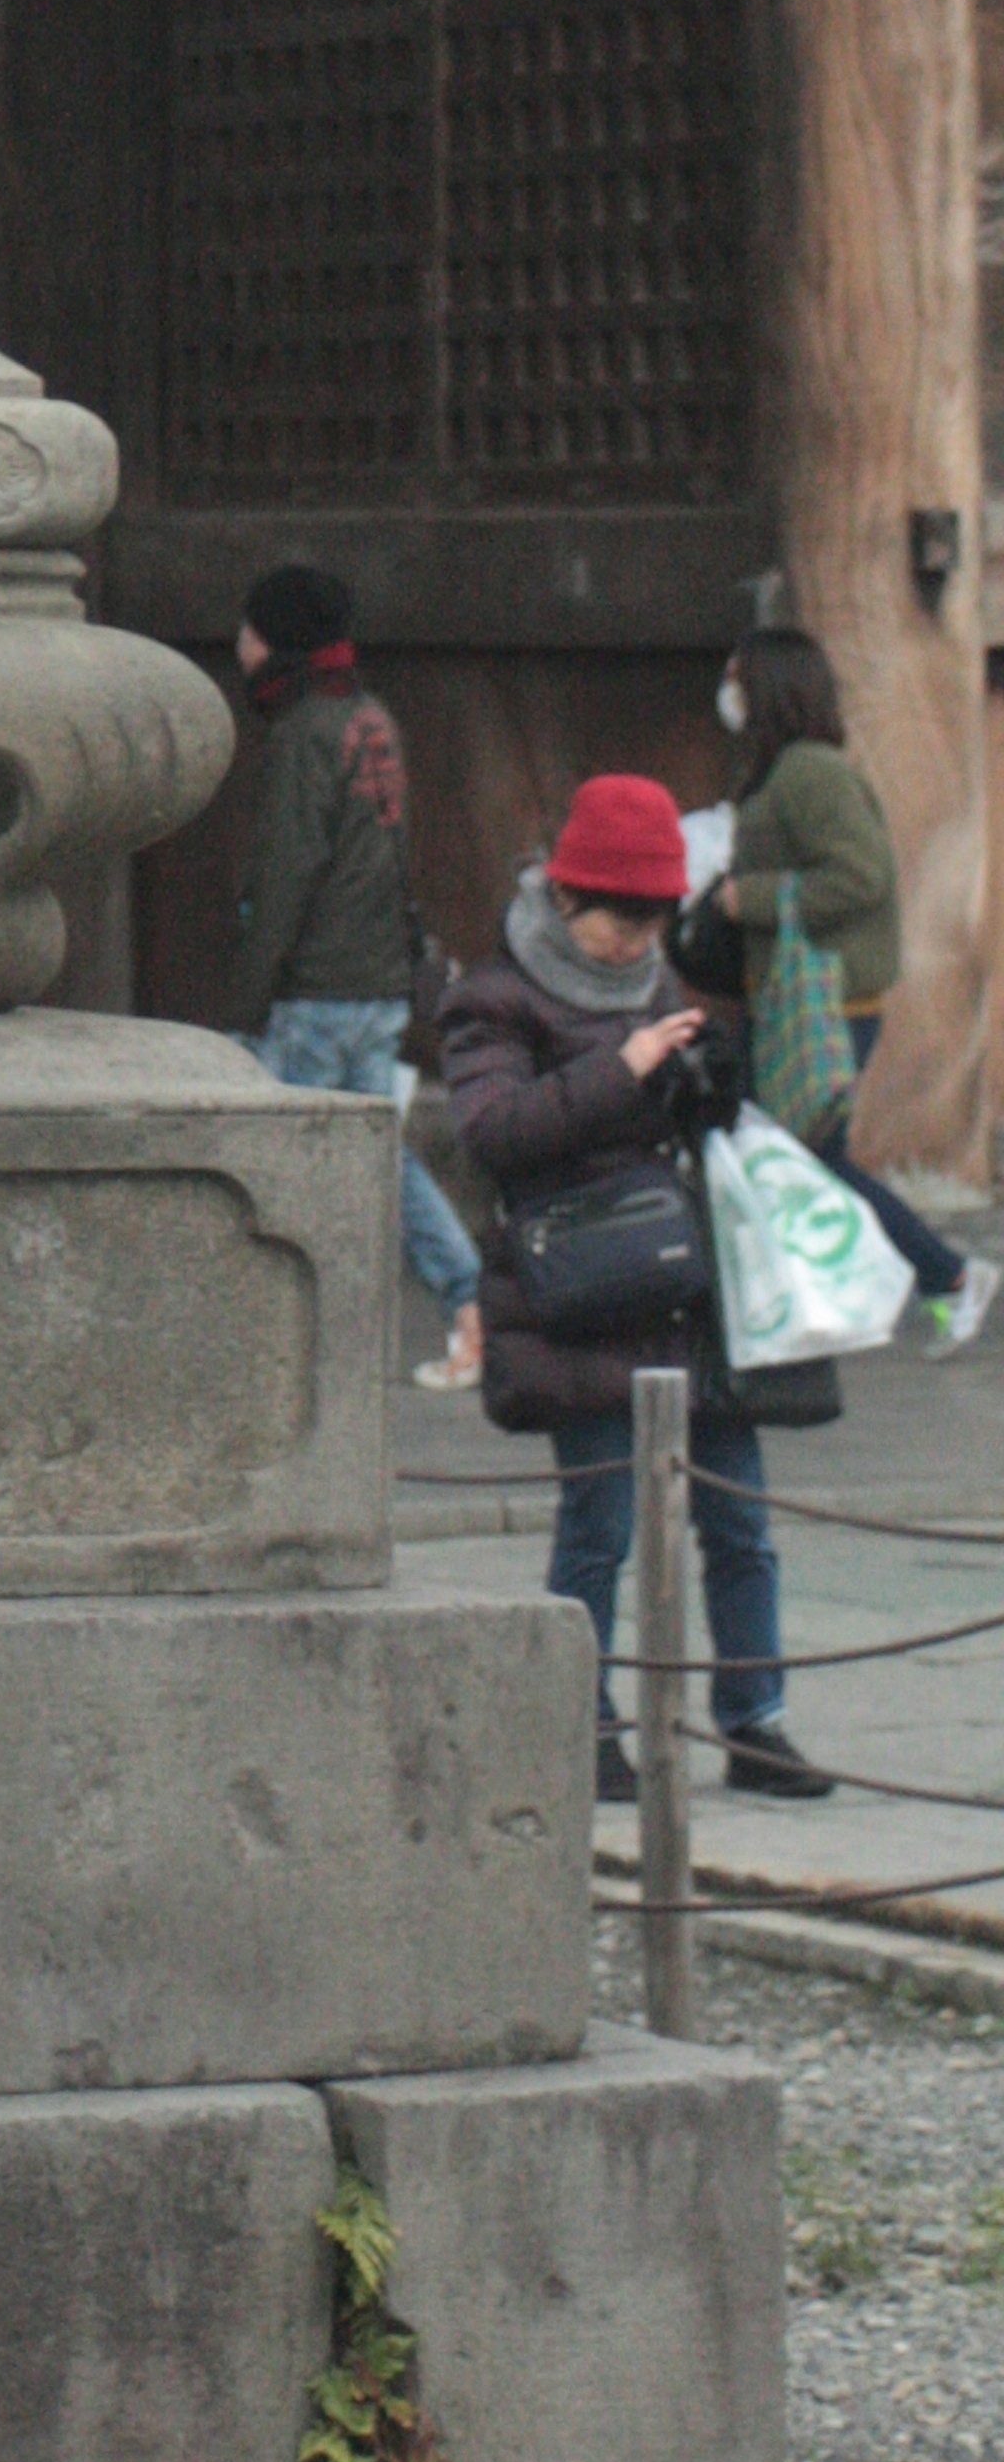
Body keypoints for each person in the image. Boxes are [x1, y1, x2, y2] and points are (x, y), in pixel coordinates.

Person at [443, 770, 834, 1808]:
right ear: (566, 896)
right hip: (580, 1302)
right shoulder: (495, 998)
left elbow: (686, 1126)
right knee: (600, 1526)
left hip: (686, 1300)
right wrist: (620, 1069)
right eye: (617, 919)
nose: (630, 942)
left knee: (739, 1518)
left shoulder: (663, 987)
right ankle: (586, 1724)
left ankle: (757, 1722)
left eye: (651, 922)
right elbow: (491, 1135)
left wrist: (706, 1085)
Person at [716, 626, 999, 1350]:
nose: (728, 692)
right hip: (794, 999)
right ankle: (870, 1283)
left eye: (737, 677)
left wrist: (750, 897)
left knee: (808, 1155)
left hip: (822, 1004)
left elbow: (860, 875)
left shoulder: (811, 772)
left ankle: (948, 1274)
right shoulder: (787, 771)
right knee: (791, 1152)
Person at [230, 561, 484, 1338]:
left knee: (276, 1155)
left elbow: (286, 871)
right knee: (379, 1157)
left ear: (279, 641)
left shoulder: (305, 731)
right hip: (375, 979)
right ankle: (468, 1297)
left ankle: (270, 1320)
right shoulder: (370, 716)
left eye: (251, 629)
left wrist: (250, 991)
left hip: (318, 986)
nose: (239, 644)